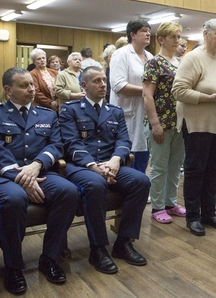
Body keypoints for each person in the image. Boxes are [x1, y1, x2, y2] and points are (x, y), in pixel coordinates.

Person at [0, 67, 79, 294]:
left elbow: (56, 145)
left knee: (69, 191)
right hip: (3, 176)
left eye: (32, 85)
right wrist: (21, 177)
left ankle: (50, 258)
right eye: (24, 85)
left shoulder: (47, 115)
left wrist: (37, 165)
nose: (31, 89)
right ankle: (13, 266)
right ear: (8, 90)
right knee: (14, 200)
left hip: (40, 172)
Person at [59, 66, 150, 274]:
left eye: (104, 80)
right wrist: (93, 165)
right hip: (82, 166)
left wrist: (116, 160)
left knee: (141, 181)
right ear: (84, 85)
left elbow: (124, 140)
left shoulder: (114, 111)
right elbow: (71, 143)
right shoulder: (70, 110)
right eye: (97, 81)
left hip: (111, 164)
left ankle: (123, 242)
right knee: (95, 184)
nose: (103, 85)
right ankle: (98, 249)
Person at [172, 18, 216, 236]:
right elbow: (178, 91)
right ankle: (193, 216)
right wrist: (208, 98)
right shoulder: (193, 58)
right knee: (195, 171)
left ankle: (209, 213)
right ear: (205, 34)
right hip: (198, 125)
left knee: (211, 172)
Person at [143, 22, 186, 224]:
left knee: (176, 166)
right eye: (173, 37)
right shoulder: (154, 63)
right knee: (159, 167)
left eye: (178, 36)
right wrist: (155, 123)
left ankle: (170, 202)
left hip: (180, 122)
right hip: (161, 122)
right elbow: (147, 95)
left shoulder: (180, 62)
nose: (177, 40)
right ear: (161, 39)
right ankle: (157, 206)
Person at [110, 19, 153, 173]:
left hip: (145, 116)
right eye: (143, 30)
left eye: (149, 30)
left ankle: (140, 192)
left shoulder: (150, 56)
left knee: (143, 157)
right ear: (132, 34)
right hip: (126, 114)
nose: (148, 33)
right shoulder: (121, 54)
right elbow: (118, 85)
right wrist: (146, 91)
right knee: (128, 161)